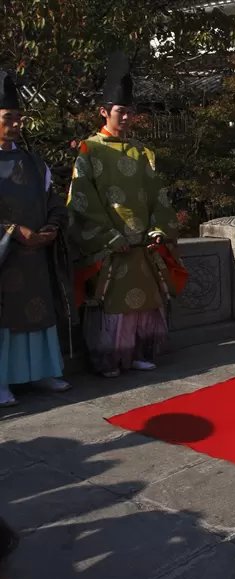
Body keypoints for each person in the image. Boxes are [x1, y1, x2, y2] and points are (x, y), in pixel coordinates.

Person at [67, 53, 183, 378]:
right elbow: (82, 198)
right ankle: (110, 359)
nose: (127, 118)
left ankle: (136, 354)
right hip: (113, 243)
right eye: (120, 112)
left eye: (130, 112)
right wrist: (108, 235)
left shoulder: (141, 152)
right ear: (104, 112)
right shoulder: (89, 150)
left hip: (142, 241)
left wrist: (159, 227)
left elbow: (157, 195)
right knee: (114, 305)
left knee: (144, 302)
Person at [0, 70, 71, 407]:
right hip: (6, 258)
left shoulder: (32, 161)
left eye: (17, 118)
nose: (15, 125)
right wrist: (13, 231)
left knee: (39, 311)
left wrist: (53, 226)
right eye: (7, 118)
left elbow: (53, 199)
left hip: (35, 257)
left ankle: (42, 371)